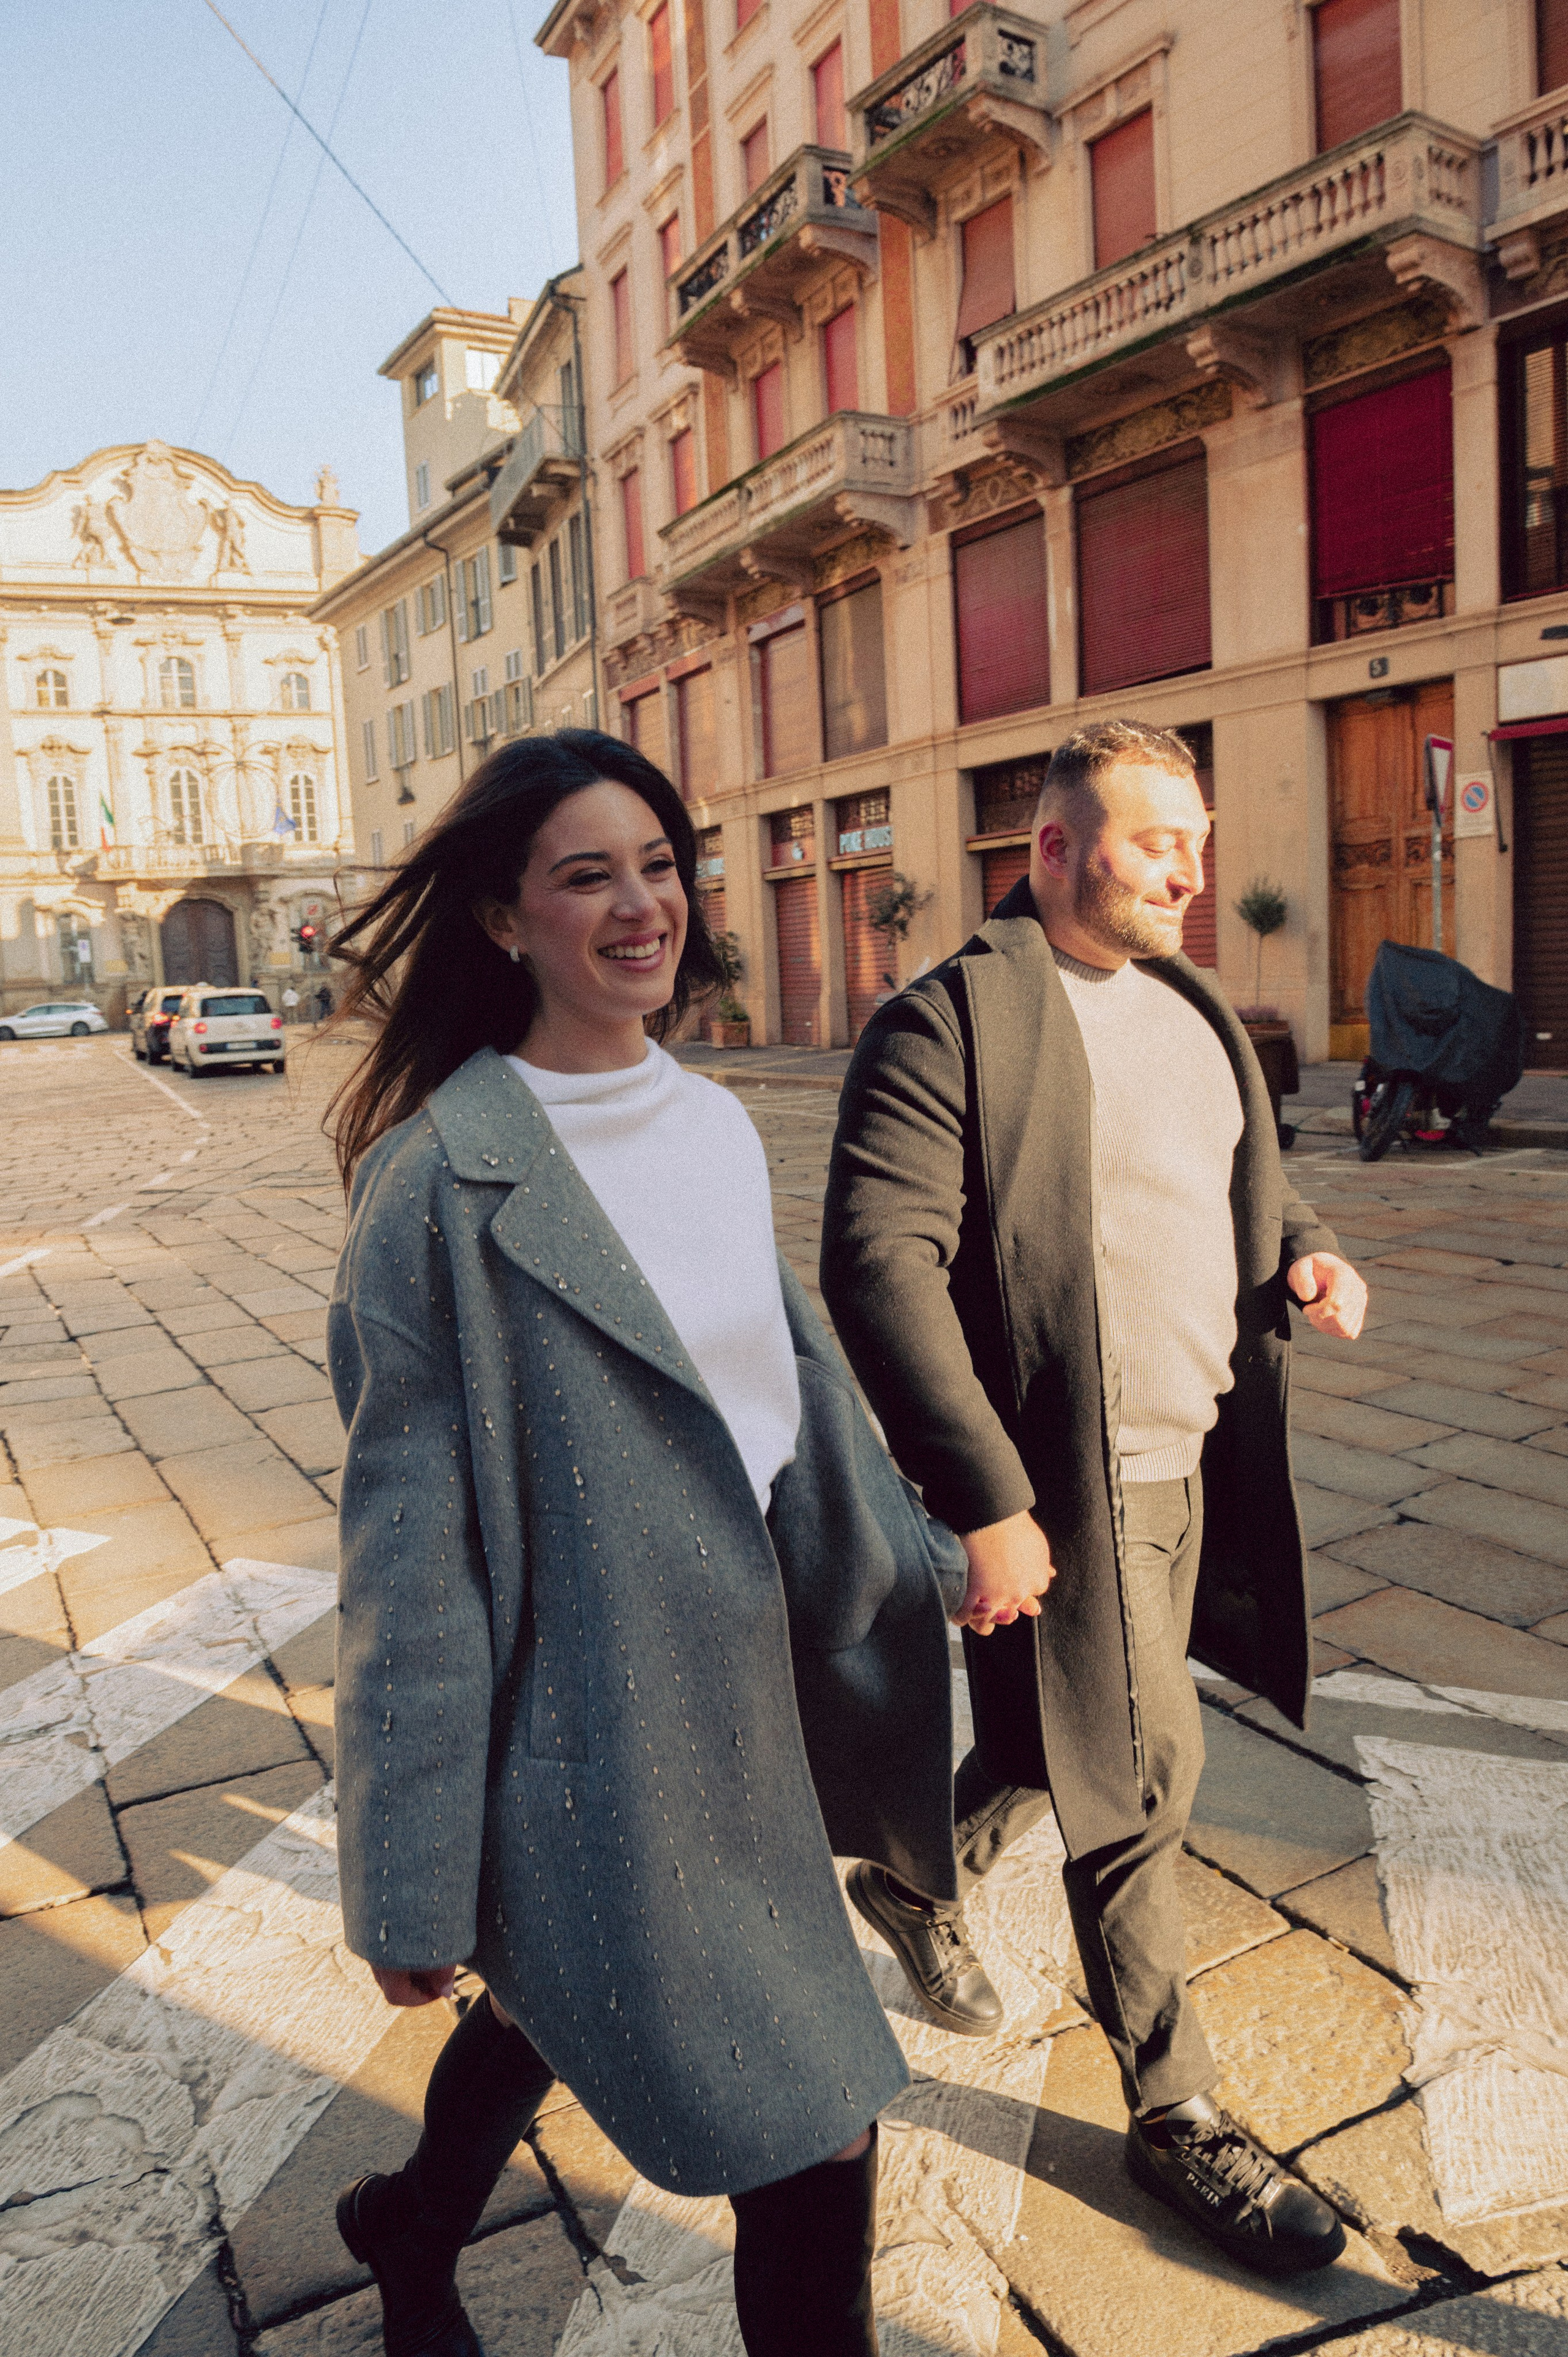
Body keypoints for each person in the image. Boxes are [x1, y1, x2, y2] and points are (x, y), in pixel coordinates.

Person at [323, 730, 965, 2357]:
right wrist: (409, 1877)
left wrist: (937, 1556)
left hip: (748, 1718)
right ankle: (414, 2231)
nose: (639, 907)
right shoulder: (436, 1192)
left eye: (661, 867)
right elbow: (413, 1564)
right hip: (592, 1742)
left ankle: (409, 2225)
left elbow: (782, 1401)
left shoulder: (716, 1126)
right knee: (818, 2129)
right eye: (587, 875)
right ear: (502, 919)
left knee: (550, 1998)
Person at [820, 719, 1369, 2280]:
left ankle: (916, 1878)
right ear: (1051, 849)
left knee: (1061, 1734)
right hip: (1071, 1478)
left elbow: (1232, 1177)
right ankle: (1176, 2104)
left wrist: (1303, 1246)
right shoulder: (950, 1022)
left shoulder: (1192, 1004)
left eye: (1193, 839)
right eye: (1152, 844)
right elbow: (875, 1262)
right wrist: (987, 1495)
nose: (1190, 872)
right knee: (1141, 1774)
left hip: (1194, 1455)